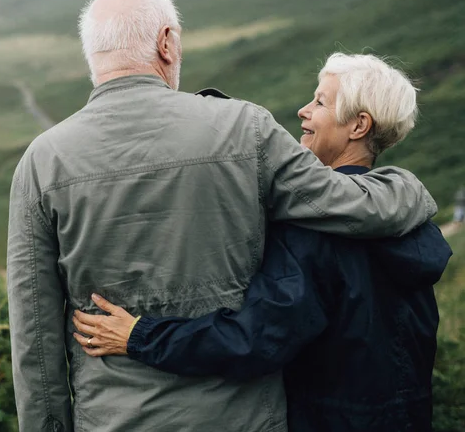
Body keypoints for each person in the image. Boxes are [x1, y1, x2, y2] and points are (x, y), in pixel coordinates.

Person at [7, 0, 436, 432]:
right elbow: (351, 205)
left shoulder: (41, 161)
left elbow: (34, 334)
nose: (305, 111)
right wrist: (409, 189)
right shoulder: (245, 129)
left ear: (92, 54)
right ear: (166, 43)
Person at [73, 53, 452, 432]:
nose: (303, 111)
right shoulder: (413, 223)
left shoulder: (315, 231)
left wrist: (140, 336)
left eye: (320, 102)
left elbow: (255, 341)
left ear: (358, 126)